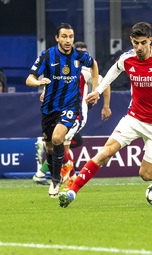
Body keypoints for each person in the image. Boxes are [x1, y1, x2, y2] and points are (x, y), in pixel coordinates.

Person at [58, 22, 152, 208]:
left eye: (143, 43)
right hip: (133, 119)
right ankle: (71, 192)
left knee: (146, 175)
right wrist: (98, 91)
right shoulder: (127, 58)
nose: (140, 48)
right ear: (131, 41)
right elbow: (114, 70)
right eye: (136, 43)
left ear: (150, 40)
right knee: (104, 153)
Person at [26, 23, 100, 198]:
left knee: (58, 138)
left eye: (71, 37)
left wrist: (95, 90)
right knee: (50, 148)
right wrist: (38, 83)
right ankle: (55, 174)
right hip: (49, 108)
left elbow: (94, 65)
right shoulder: (46, 56)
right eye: (64, 37)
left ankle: (55, 180)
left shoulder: (79, 56)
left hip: (69, 107)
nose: (68, 40)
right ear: (57, 38)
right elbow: (30, 78)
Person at [32, 41, 112, 190]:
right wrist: (45, 91)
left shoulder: (85, 71)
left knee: (63, 144)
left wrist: (105, 104)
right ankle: (68, 179)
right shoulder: (63, 69)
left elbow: (105, 83)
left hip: (74, 114)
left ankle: (60, 176)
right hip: (64, 113)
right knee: (62, 144)